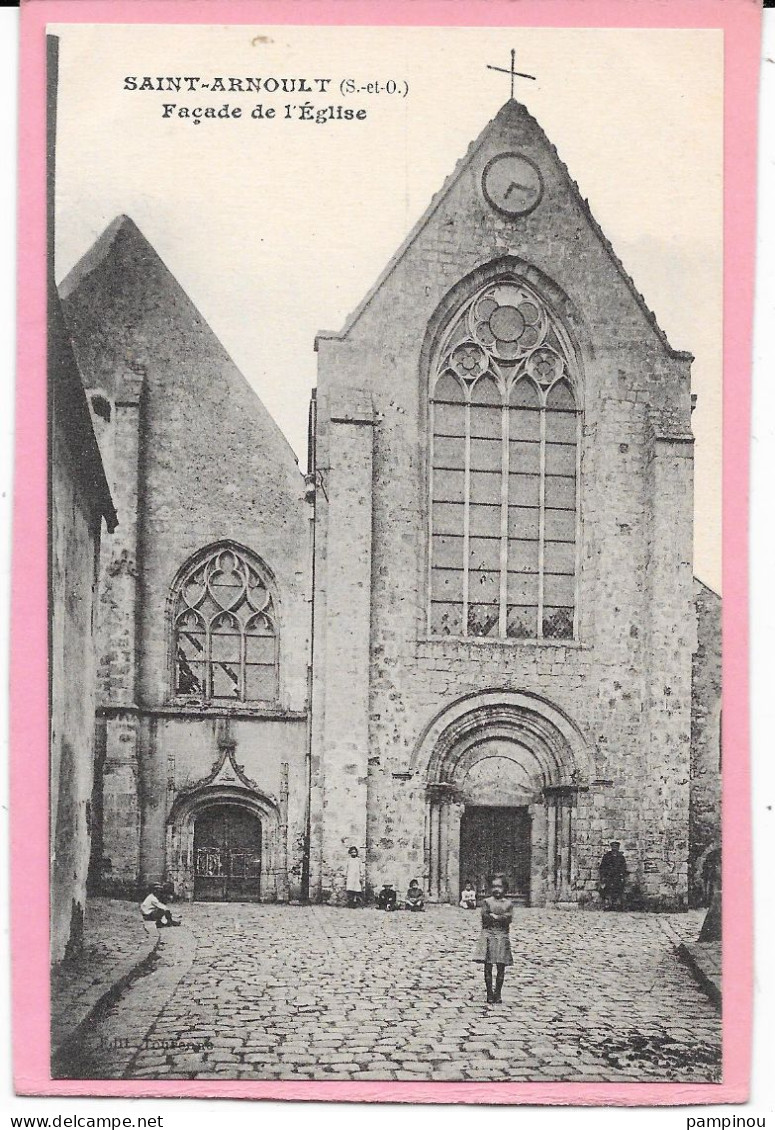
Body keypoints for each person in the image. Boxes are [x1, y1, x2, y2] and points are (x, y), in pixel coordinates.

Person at [473, 873, 513, 1003]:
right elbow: (485, 917)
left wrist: (496, 917)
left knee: (501, 966)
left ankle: (498, 993)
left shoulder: (508, 904)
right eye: (494, 887)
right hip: (489, 935)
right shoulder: (487, 902)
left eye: (500, 887)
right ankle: (489, 993)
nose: (497, 889)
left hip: (502, 936)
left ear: (505, 888)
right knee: (488, 966)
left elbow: (508, 919)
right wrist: (496, 917)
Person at [599, 841, 628, 910]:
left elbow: (623, 867)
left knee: (617, 890)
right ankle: (608, 905)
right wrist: (603, 876)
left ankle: (616, 905)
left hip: (617, 877)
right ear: (611, 847)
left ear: (618, 848)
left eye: (616, 847)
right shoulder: (607, 856)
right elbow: (602, 867)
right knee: (607, 890)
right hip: (609, 876)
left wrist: (622, 876)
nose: (615, 848)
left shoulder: (621, 857)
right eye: (613, 847)